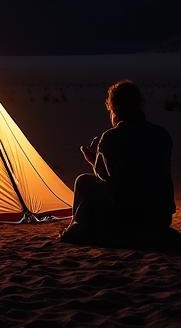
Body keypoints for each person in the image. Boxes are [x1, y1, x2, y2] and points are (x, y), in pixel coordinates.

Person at [60, 79, 175, 245]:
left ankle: (76, 226)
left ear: (114, 109)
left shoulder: (112, 137)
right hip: (161, 216)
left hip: (132, 215)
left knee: (83, 181)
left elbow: (111, 179)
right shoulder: (161, 134)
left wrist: (93, 160)